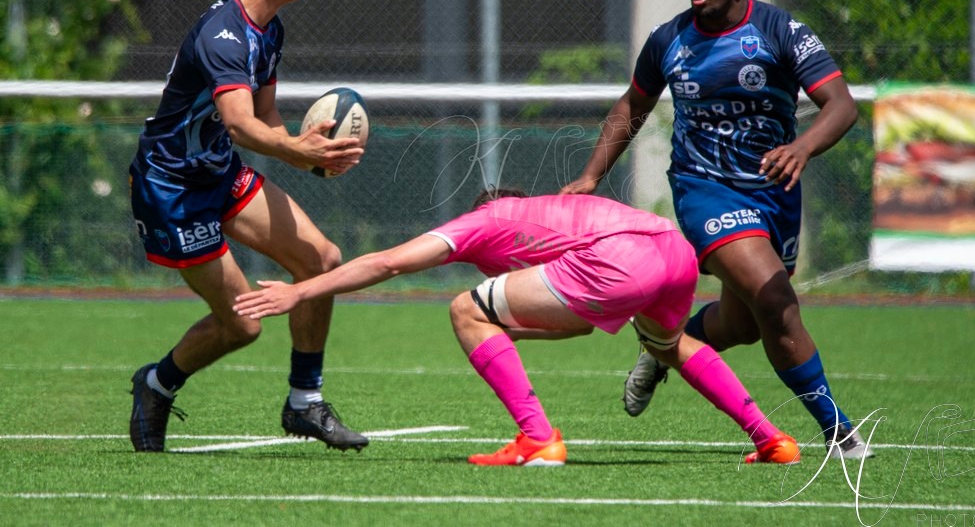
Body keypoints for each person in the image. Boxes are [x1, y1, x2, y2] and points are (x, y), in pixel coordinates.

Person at [560, 0, 873, 459]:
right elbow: (632, 106)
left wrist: (801, 148)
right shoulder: (669, 39)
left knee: (745, 324)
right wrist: (592, 174)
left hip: (774, 194)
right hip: (703, 190)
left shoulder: (781, 31)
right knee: (775, 300)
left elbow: (841, 105)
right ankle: (838, 431)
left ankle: (662, 346)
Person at [234, 189, 802, 467]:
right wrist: (514, 332)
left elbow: (386, 262)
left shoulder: (483, 222)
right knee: (671, 344)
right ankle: (770, 439)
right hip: (671, 249)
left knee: (464, 309)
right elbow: (578, 326)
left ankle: (537, 438)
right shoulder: (550, 216)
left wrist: (300, 290)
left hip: (618, 260)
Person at [127, 0, 368, 453]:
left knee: (321, 261)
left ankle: (305, 402)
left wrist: (312, 157)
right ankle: (156, 384)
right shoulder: (224, 34)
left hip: (219, 173)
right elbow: (238, 123)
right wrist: (295, 149)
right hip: (173, 189)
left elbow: (267, 121)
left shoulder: (270, 31)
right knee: (242, 326)